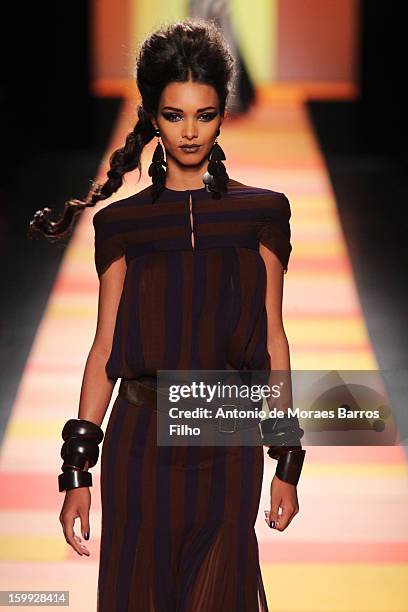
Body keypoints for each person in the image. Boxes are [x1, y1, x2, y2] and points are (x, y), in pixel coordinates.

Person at [28, 17, 306, 612]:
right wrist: (77, 469)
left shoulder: (260, 214)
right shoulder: (121, 224)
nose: (189, 131)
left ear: (223, 114)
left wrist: (287, 458)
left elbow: (273, 339)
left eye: (203, 115)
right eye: (174, 115)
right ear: (153, 116)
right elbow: (105, 348)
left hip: (226, 439)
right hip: (138, 449)